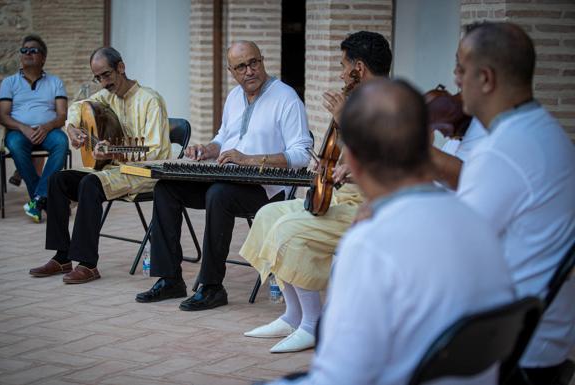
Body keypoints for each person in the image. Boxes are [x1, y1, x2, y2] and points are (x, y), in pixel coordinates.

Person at [268, 79, 516, 385]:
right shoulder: (477, 220)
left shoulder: (370, 244)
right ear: (428, 142)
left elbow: (338, 378)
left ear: (353, 162)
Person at [239, 31, 391, 353]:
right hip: (341, 197)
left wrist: (343, 121)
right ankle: (293, 315)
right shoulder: (360, 101)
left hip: (372, 208)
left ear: (359, 68)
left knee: (290, 230)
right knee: (269, 215)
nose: (339, 73)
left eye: (342, 65)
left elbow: (385, 165)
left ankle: (312, 323)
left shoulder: (390, 104)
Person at [136, 40, 313, 310]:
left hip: (266, 189)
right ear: (231, 71)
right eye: (241, 66)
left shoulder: (286, 98)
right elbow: (224, 137)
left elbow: (302, 154)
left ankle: (211, 286)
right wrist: (207, 149)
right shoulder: (233, 96)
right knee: (166, 188)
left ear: (262, 60)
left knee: (218, 195)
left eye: (254, 62)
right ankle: (170, 278)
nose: (249, 71)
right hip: (226, 178)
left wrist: (249, 160)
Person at [453, 22, 575, 384]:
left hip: (509, 353)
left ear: (486, 78)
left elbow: (451, 254)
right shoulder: (548, 133)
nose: (456, 79)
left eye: (461, 69)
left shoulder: (500, 152)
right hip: (544, 342)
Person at [28, 47, 171, 284]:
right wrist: (72, 128)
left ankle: (87, 264)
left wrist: (115, 151)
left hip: (144, 172)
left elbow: (156, 150)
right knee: (58, 180)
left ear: (121, 68)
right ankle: (62, 256)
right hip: (113, 170)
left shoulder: (150, 100)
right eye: (98, 78)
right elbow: (77, 106)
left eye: (106, 75)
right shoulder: (107, 97)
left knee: (90, 183)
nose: (103, 83)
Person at [0, 34, 69, 222]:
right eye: (24, 50)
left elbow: (62, 115)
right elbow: (3, 116)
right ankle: (43, 198)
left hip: (48, 131)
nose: (28, 53)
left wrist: (46, 127)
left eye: (33, 50)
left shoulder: (55, 82)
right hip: (19, 132)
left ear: (43, 58)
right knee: (14, 144)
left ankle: (37, 200)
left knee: (62, 142)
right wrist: (24, 128)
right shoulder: (9, 82)